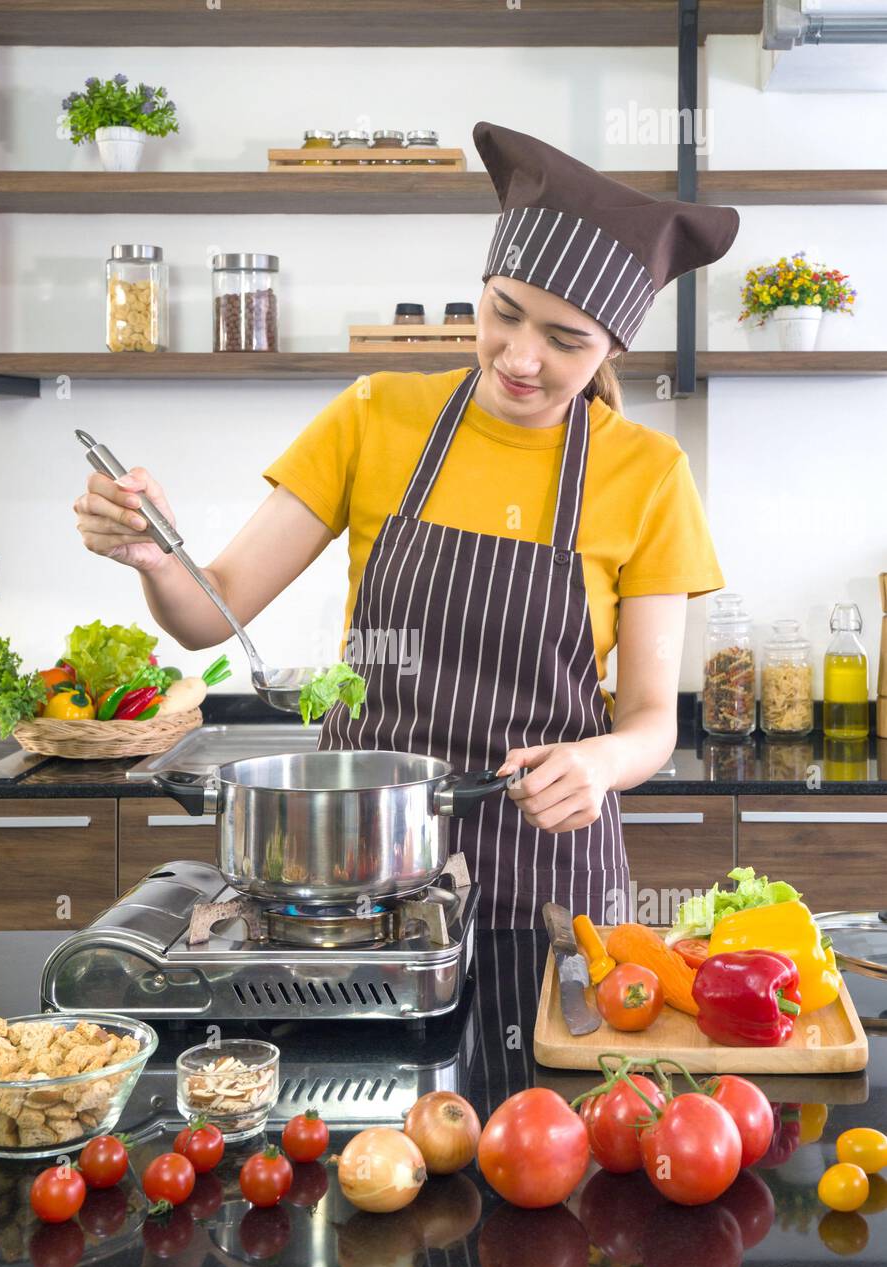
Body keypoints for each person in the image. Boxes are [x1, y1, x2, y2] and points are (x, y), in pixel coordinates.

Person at [73, 121, 737, 930]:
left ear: (609, 345)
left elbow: (648, 723)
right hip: (356, 855)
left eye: (565, 341)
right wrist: (155, 557)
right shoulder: (375, 413)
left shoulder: (648, 471)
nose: (520, 359)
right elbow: (212, 615)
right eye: (505, 312)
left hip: (548, 861)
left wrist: (599, 762)